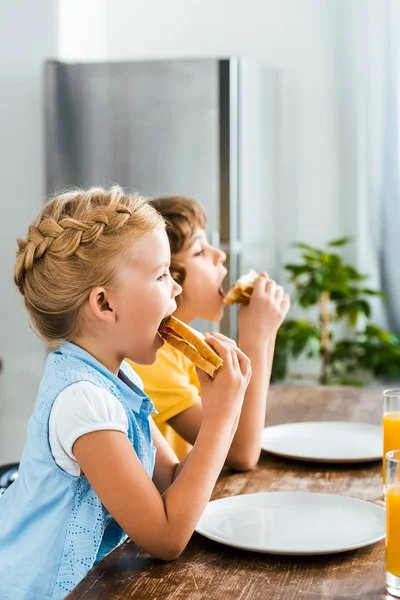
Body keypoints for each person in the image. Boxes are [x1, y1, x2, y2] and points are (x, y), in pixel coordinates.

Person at [0, 186, 251, 600]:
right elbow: (167, 537)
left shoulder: (118, 378)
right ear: (104, 303)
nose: (175, 289)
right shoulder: (83, 402)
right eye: (161, 275)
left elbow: (169, 481)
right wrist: (221, 418)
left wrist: (227, 407)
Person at [131, 196, 290, 467]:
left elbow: (245, 426)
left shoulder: (184, 349)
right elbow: (242, 452)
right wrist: (255, 338)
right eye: (199, 251)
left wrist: (267, 332)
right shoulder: (152, 361)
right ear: (167, 274)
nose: (221, 255)